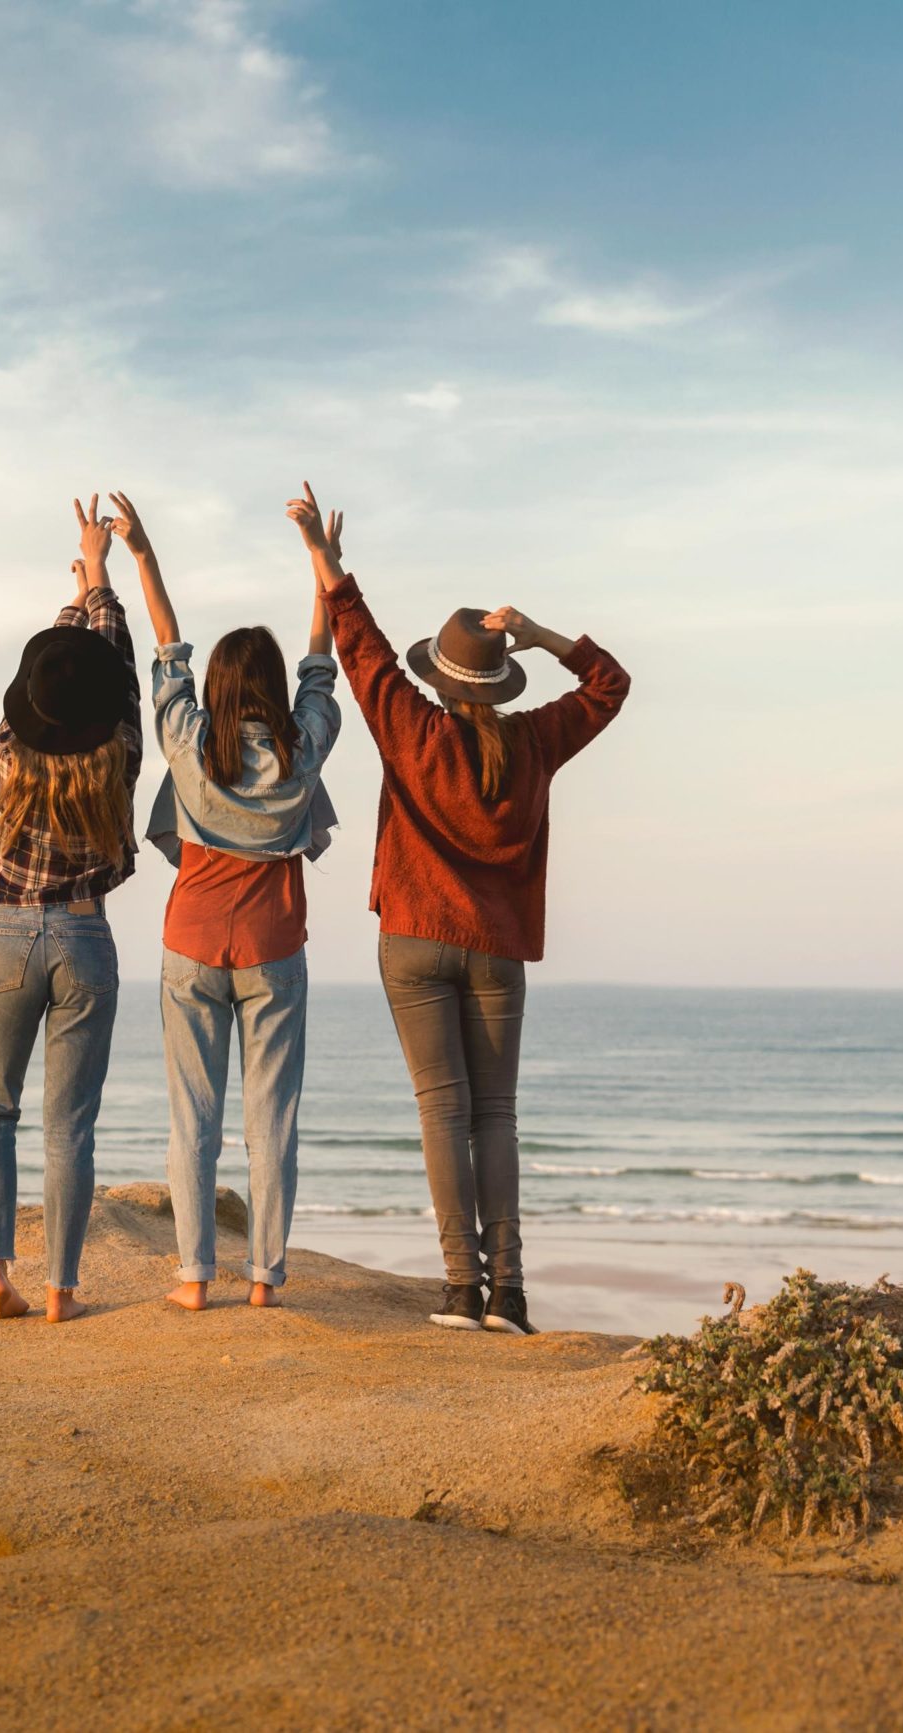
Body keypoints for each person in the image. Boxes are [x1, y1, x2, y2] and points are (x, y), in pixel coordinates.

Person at [288, 483, 629, 1336]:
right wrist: (543, 634)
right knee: (495, 1116)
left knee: (442, 1111)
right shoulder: (534, 741)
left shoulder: (413, 728)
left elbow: (361, 651)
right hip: (497, 947)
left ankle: (459, 1291)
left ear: (439, 677)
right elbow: (610, 684)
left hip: (412, 938)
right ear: (502, 681)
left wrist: (326, 564)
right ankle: (509, 1293)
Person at [108, 491, 341, 1311]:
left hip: (192, 946)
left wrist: (141, 554)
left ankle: (193, 1276)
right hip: (275, 947)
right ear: (272, 690)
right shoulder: (303, 746)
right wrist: (323, 565)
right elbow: (322, 664)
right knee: (270, 1120)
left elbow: (167, 648)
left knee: (192, 1121)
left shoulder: (187, 743)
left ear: (216, 685)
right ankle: (265, 1281)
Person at [0, 496, 144, 1324]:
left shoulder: (9, 750)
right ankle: (60, 1289)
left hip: (7, 927)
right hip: (85, 932)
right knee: (68, 1123)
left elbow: (52, 674)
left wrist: (75, 593)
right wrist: (101, 575)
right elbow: (101, 673)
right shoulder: (119, 753)